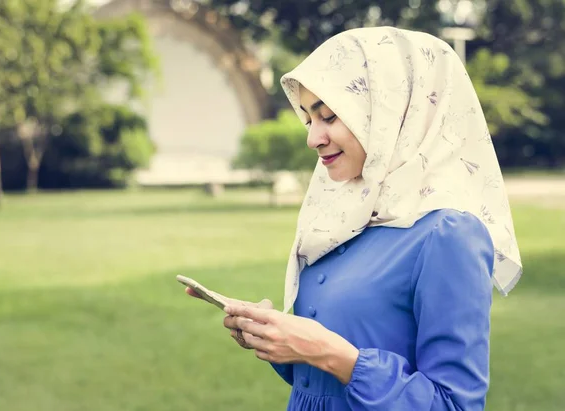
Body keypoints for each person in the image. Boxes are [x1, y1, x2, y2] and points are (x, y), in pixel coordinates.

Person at [185, 26, 523, 410]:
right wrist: (277, 335)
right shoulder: (344, 216)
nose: (313, 138)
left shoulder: (447, 234)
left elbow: (455, 405)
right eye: (309, 120)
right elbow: (325, 375)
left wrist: (329, 353)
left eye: (329, 116)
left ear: (393, 114)